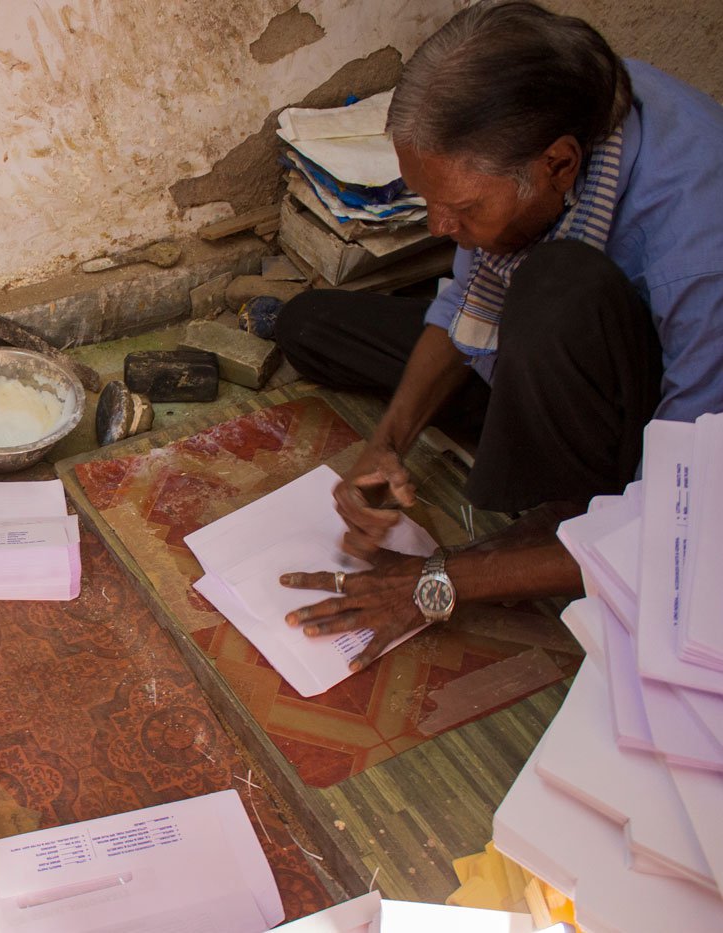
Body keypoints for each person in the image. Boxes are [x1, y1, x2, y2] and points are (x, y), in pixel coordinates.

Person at [270, 1, 723, 668]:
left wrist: (439, 582)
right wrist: (388, 441)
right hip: (552, 353)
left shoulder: (698, 246)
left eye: (462, 209)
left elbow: (686, 517)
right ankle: (526, 446)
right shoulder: (551, 109)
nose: (438, 227)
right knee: (309, 325)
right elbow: (465, 296)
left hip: (659, 423)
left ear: (560, 166)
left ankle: (563, 515)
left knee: (557, 282)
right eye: (430, 201)